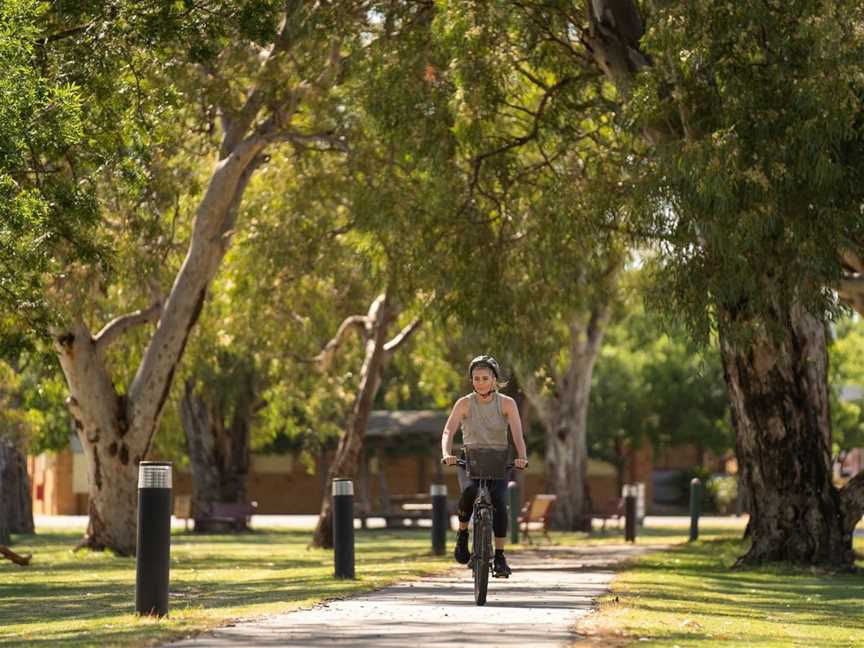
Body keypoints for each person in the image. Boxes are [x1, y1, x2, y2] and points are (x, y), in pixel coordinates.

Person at [441, 354, 529, 577]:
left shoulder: (507, 403)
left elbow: (517, 435)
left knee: (499, 500)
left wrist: (522, 456)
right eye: (476, 378)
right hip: (470, 457)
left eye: (484, 378)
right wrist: (446, 452)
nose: (480, 382)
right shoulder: (464, 403)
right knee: (470, 490)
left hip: (498, 458)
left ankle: (499, 556)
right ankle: (462, 535)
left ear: (494, 380)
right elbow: (448, 431)